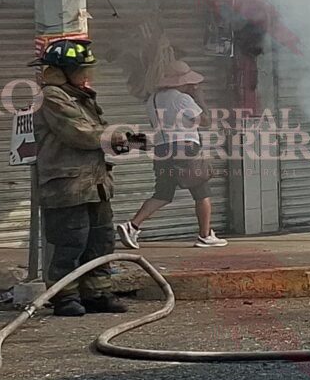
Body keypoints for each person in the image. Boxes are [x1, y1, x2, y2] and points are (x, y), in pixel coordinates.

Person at [33, 39, 134, 317]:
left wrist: (127, 142)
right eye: (81, 69)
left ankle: (96, 293)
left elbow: (95, 131)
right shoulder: (51, 97)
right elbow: (77, 132)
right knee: (70, 242)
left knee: (100, 241)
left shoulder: (79, 95)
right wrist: (114, 137)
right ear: (63, 70)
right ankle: (64, 296)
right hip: (67, 185)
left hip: (94, 183)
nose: (86, 74)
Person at [120, 61, 224, 248]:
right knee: (202, 192)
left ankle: (132, 226)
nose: (191, 86)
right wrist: (200, 99)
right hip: (185, 149)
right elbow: (206, 121)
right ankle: (205, 235)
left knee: (163, 193)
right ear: (180, 82)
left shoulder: (152, 99)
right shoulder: (182, 99)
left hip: (162, 149)